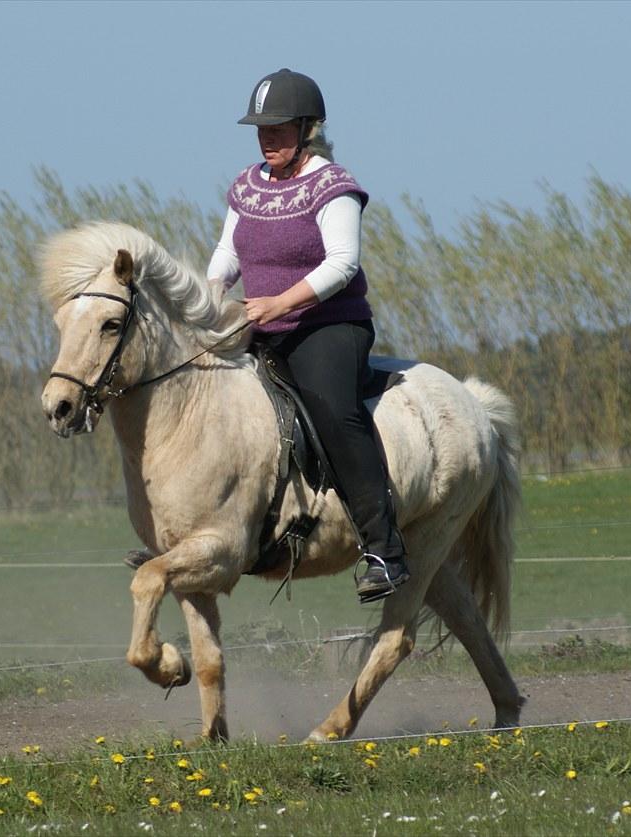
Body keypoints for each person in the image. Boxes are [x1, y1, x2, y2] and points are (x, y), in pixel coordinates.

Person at [207, 68, 410, 603]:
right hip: (260, 323)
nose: (266, 139)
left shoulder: (333, 185)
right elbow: (229, 252)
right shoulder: (247, 186)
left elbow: (343, 264)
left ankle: (384, 552)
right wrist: (210, 293)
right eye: (261, 130)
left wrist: (279, 302)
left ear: (307, 129)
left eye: (277, 129)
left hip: (327, 326)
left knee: (334, 412)